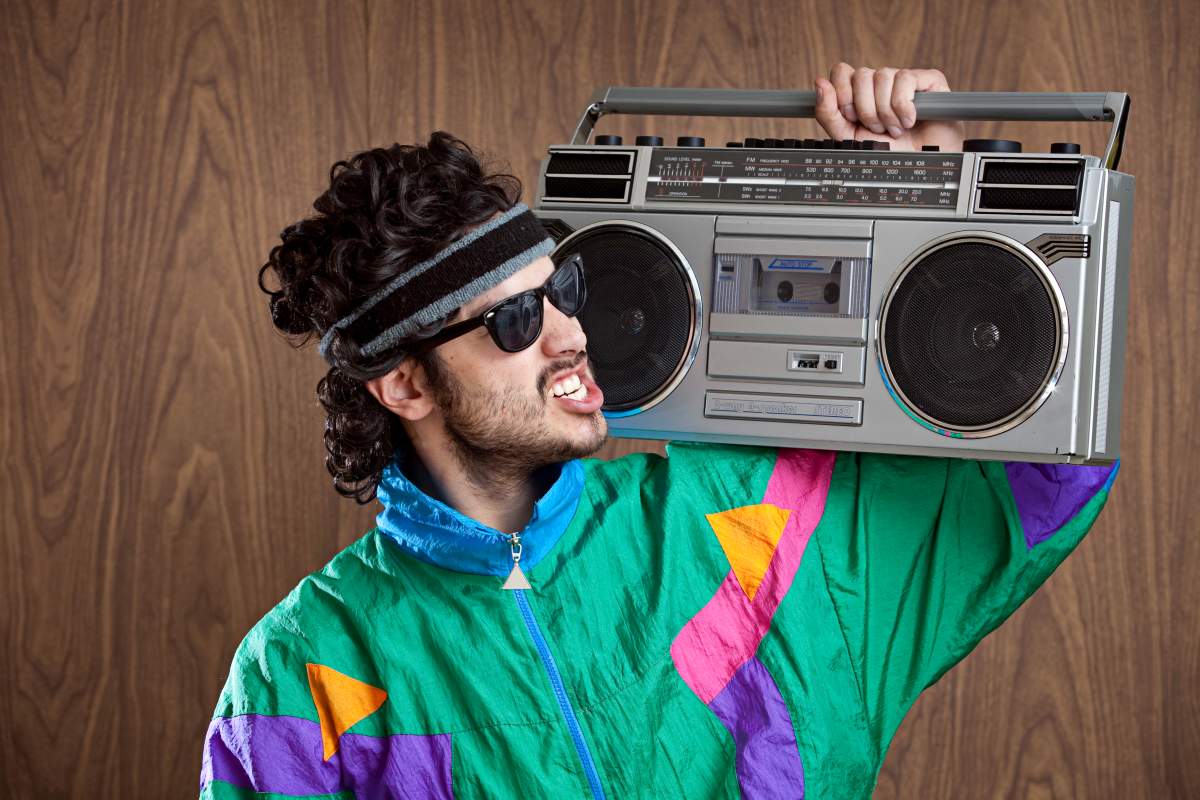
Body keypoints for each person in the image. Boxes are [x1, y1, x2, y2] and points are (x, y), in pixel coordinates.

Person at [200, 64, 1120, 799]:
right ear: (404, 382)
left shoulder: (750, 517)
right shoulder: (302, 675)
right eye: (514, 323)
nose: (570, 334)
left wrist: (932, 201)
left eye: (562, 291)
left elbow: (1038, 486)